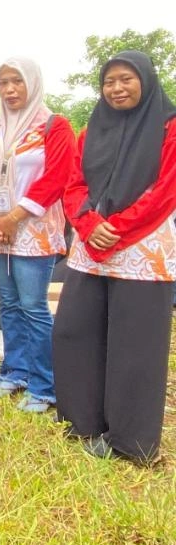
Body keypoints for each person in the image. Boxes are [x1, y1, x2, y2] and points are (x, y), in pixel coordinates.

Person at [53, 51, 176, 464]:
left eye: (126, 80)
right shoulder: (92, 131)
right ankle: (83, 421)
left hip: (143, 249)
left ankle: (131, 442)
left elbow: (165, 191)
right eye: (109, 82)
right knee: (76, 330)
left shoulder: (169, 127)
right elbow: (74, 183)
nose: (117, 88)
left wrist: (117, 228)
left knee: (135, 345)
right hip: (92, 248)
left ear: (145, 80)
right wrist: (88, 225)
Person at [0, 58, 74, 414]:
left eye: (17, 82)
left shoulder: (54, 127)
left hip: (33, 230)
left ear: (33, 83)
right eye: (3, 83)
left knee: (33, 306)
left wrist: (14, 216)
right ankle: (15, 371)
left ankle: (44, 386)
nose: (10, 90)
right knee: (8, 304)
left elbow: (56, 178)